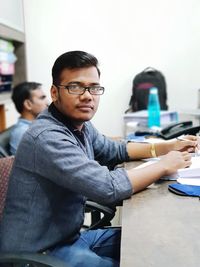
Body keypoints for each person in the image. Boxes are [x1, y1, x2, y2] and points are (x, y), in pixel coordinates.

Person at [0, 51, 199, 267]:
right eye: (75, 87)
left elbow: (115, 150)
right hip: (39, 254)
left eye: (94, 87)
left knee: (155, 240)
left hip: (69, 239)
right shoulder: (47, 137)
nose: (87, 95)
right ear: (55, 93)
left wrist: (166, 146)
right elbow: (108, 187)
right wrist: (164, 165)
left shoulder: (78, 125)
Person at [9, 81, 48, 155]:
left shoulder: (38, 125)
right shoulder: (23, 133)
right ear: (28, 104)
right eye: (42, 98)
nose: (47, 102)